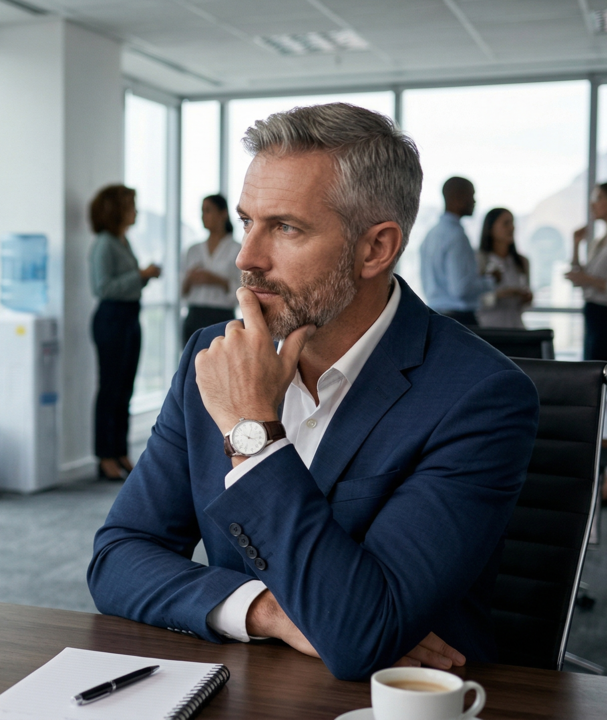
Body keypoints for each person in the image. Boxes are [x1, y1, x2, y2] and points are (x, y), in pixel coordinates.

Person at [87, 103, 539, 681]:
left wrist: (252, 428)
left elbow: (358, 635)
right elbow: (118, 557)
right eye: (248, 221)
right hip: (245, 687)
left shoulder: (481, 396)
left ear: (375, 248)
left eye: (285, 228)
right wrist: (268, 611)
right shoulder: (213, 355)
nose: (247, 258)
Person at [87, 185, 160, 481]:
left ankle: (119, 452)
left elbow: (125, 283)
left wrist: (142, 278)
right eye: (131, 205)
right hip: (112, 319)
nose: (136, 211)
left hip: (129, 316)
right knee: (110, 389)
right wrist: (141, 275)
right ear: (116, 209)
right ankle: (104, 456)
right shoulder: (104, 243)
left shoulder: (122, 241)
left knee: (125, 389)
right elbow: (102, 288)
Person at [419, 176, 497, 326]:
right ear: (458, 197)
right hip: (459, 320)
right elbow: (461, 289)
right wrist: (490, 281)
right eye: (471, 195)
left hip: (434, 316)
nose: (474, 201)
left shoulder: (431, 234)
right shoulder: (456, 237)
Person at [182, 194, 242, 343]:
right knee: (191, 364)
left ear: (223, 214)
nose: (203, 216)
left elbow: (243, 290)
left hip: (221, 318)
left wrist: (216, 280)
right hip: (194, 316)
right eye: (202, 211)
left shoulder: (237, 249)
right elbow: (181, 290)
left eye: (208, 210)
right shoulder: (193, 250)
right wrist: (190, 279)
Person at [567, 183, 607, 360]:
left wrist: (587, 279)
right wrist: (576, 245)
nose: (592, 205)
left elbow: (587, 278)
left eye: (598, 198)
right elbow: (581, 276)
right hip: (593, 312)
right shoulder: (599, 241)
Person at [475, 207, 531, 329]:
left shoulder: (521, 262)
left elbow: (525, 305)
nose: (512, 228)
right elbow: (471, 300)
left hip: (516, 329)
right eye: (506, 223)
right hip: (487, 329)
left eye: (512, 223)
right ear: (490, 228)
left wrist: (526, 298)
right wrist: (499, 295)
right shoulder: (478, 260)